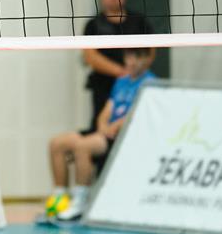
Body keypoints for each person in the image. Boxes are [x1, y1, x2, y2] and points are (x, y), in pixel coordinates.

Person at [45, 47, 156, 222]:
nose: (132, 62)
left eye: (137, 57)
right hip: (106, 132)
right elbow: (107, 110)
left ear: (148, 59)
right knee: (57, 143)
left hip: (124, 136)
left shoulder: (150, 82)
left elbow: (137, 112)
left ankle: (81, 202)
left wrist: (115, 126)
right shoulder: (122, 81)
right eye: (129, 57)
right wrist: (103, 125)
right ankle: (60, 199)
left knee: (83, 146)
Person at [81, 0, 153, 131]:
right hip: (104, 84)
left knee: (135, 124)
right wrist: (121, 72)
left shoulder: (139, 21)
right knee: (101, 127)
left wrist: (133, 73)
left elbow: (151, 49)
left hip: (135, 82)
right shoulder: (94, 24)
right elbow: (90, 56)